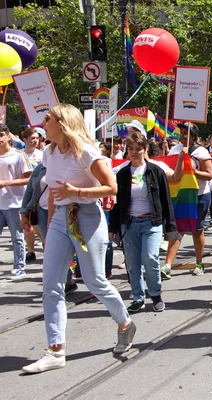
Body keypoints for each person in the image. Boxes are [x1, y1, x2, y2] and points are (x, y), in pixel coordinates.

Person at [22, 104, 135, 374]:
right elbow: (52, 191)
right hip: (61, 217)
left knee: (95, 280)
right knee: (51, 284)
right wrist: (49, 228)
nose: (43, 123)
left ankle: (125, 323)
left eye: (47, 119)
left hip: (87, 215)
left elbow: (112, 187)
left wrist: (78, 191)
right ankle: (55, 350)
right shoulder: (49, 152)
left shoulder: (86, 151)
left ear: (62, 123)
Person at [109, 132, 178, 313]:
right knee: (132, 262)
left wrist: (170, 227)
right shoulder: (122, 173)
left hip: (152, 222)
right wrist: (113, 227)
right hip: (129, 223)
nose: (134, 152)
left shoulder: (156, 171)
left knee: (151, 258)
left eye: (138, 149)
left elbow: (166, 200)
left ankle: (155, 295)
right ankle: (138, 297)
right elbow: (117, 202)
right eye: (130, 149)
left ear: (145, 149)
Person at [162, 122, 212, 277]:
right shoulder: (175, 149)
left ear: (194, 136)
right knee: (178, 229)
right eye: (181, 132)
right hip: (181, 194)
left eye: (186, 132)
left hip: (199, 195)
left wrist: (192, 171)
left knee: (197, 230)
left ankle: (199, 263)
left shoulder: (201, 152)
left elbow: (209, 175)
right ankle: (167, 265)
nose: (183, 135)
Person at [0, 123, 32, 279]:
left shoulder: (18, 155)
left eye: (1, 135)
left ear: (7, 136)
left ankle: (19, 267)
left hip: (14, 203)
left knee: (17, 237)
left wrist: (6, 183)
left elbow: (29, 179)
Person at [20, 128, 44, 262]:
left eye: (37, 138)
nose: (35, 141)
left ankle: (44, 242)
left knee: (37, 223)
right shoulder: (20, 155)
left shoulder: (42, 155)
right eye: (32, 139)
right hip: (23, 194)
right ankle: (31, 251)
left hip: (38, 196)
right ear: (25, 140)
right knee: (27, 225)